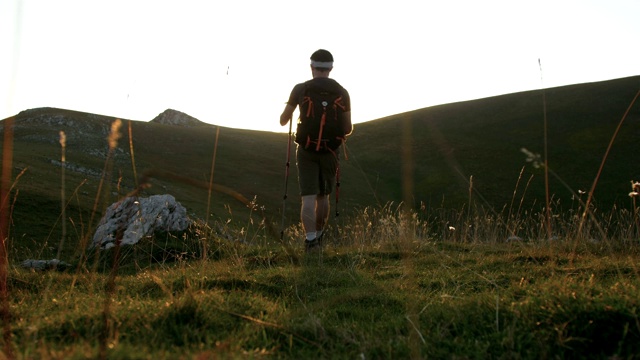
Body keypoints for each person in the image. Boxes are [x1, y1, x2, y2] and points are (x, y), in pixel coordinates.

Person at [280, 49, 352, 252]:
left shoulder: (300, 89)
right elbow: (347, 128)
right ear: (330, 69)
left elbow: (283, 120)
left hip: (306, 149)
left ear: (312, 67)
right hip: (330, 150)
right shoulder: (342, 92)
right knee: (324, 196)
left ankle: (310, 240)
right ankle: (319, 237)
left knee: (308, 198)